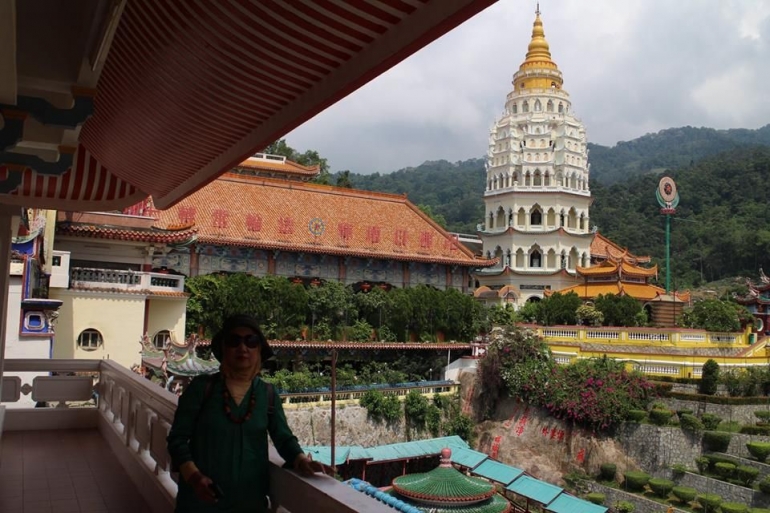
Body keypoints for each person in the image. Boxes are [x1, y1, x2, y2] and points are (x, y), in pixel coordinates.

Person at [167, 314, 324, 512]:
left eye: (251, 341)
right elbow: (177, 440)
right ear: (224, 348)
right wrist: (194, 477)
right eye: (234, 341)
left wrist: (301, 460)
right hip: (200, 502)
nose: (243, 348)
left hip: (250, 503)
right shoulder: (202, 388)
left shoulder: (267, 394)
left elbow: (283, 439)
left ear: (259, 350)